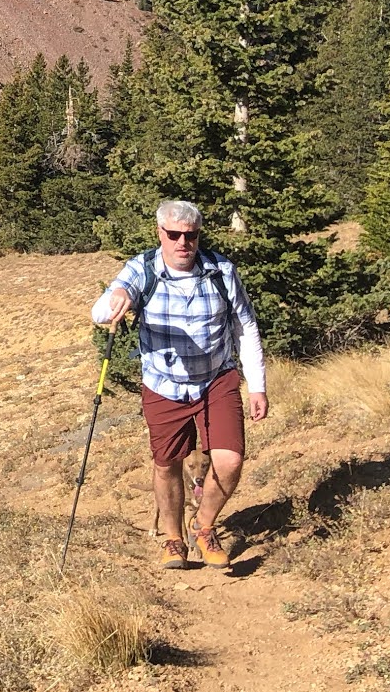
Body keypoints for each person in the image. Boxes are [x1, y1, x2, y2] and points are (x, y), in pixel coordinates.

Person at [91, 200, 268, 570]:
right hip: (163, 384)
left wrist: (257, 385)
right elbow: (102, 311)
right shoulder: (142, 270)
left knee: (230, 460)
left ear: (198, 235)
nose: (183, 242)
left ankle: (203, 526)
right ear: (160, 233)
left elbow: (245, 326)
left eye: (191, 235)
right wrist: (116, 300)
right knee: (167, 464)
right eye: (174, 235)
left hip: (216, 378)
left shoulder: (221, 271)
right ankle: (173, 539)